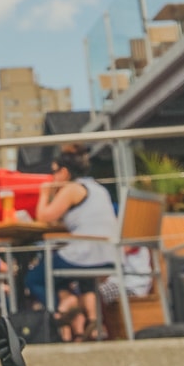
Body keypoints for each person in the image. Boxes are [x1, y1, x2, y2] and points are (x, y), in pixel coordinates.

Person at [25, 144, 116, 340]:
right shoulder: (98, 188)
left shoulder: (72, 189)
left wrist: (44, 192)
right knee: (68, 278)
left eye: (54, 172)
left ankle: (66, 309)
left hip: (86, 253)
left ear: (64, 172)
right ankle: (84, 323)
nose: (52, 177)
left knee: (34, 279)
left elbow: (44, 217)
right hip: (108, 254)